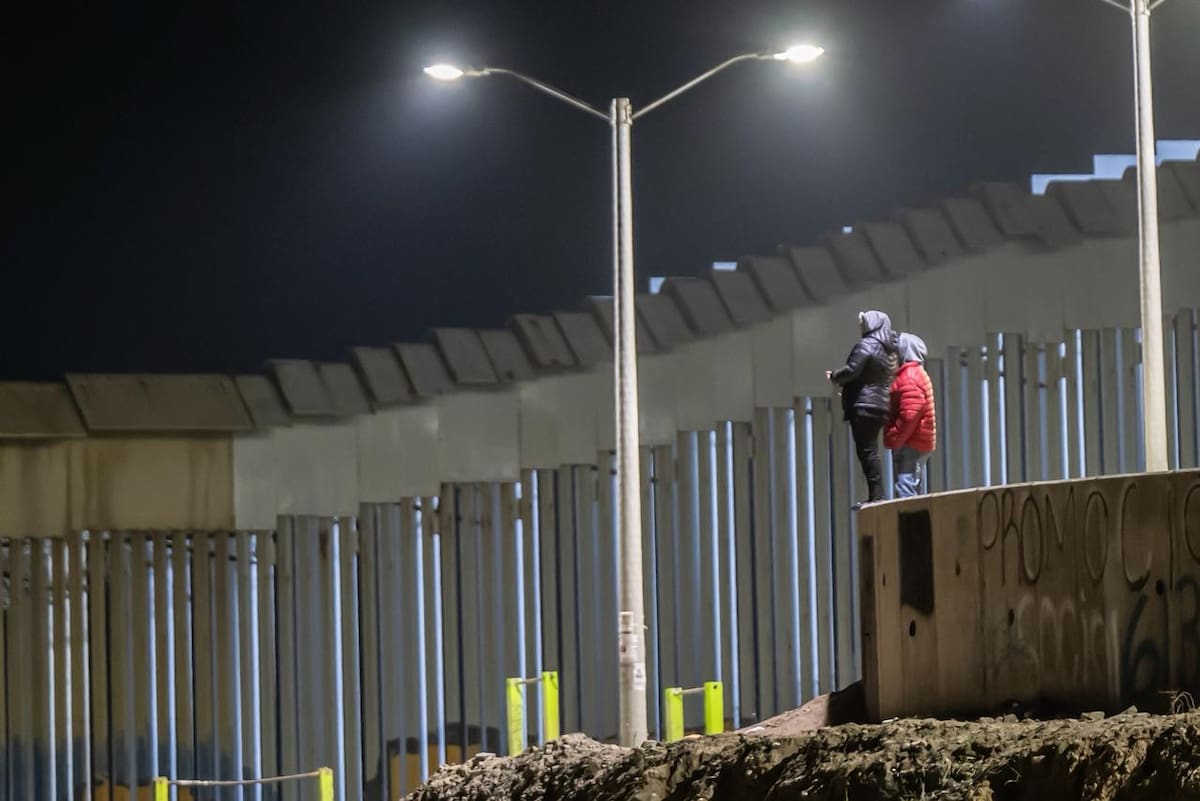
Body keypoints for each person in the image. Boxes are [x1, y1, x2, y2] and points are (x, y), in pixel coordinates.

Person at [826, 310, 898, 507]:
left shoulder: (866, 345)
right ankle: (877, 495)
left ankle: (877, 496)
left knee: (866, 452)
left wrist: (834, 376)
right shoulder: (886, 350)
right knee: (871, 451)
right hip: (879, 405)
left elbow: (851, 370)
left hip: (864, 406)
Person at [885, 332, 937, 498]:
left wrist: (895, 436)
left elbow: (910, 414)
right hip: (918, 440)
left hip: (910, 441)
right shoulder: (916, 373)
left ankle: (909, 523)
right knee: (913, 486)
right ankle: (916, 520)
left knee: (905, 487)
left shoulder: (909, 377)